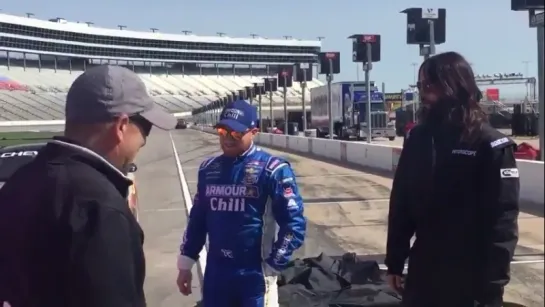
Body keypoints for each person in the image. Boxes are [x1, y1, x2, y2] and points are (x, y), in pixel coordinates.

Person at [0, 65, 177, 307]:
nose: (145, 139)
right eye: (145, 127)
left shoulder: (20, 182)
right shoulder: (101, 207)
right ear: (122, 126)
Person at [385, 52, 520, 307]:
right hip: (424, 272)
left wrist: (493, 283)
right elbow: (401, 203)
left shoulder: (490, 144)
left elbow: (502, 221)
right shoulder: (419, 139)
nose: (424, 92)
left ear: (455, 85)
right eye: (420, 85)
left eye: (430, 85)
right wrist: (394, 261)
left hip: (472, 278)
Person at [176, 100, 307, 307]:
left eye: (236, 133)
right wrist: (186, 263)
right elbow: (198, 220)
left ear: (253, 132)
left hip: (254, 275)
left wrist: (274, 265)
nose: (227, 138)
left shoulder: (273, 169)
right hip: (216, 274)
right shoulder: (208, 169)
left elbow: (294, 224)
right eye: (222, 131)